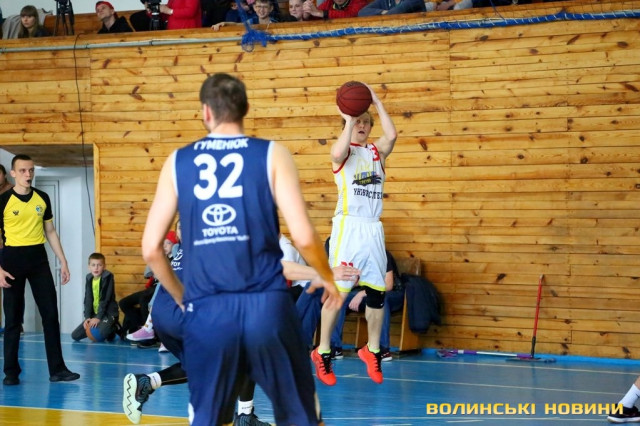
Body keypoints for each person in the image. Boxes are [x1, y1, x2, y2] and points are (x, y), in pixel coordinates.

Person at [141, 73, 341, 425]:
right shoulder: (272, 154)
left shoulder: (177, 162)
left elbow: (152, 249)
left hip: (209, 310)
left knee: (208, 418)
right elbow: (305, 237)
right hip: (266, 306)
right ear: (246, 109)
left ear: (205, 112)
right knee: (302, 414)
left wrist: (183, 299)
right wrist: (326, 277)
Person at [311, 83, 397, 386]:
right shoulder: (343, 153)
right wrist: (348, 118)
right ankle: (322, 350)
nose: (362, 125)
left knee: (377, 292)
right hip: (348, 227)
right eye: (357, 121)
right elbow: (337, 151)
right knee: (339, 292)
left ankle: (372, 350)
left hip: (373, 227)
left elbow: (392, 135)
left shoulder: (377, 152)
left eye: (365, 122)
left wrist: (377, 103)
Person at [0, 154, 80, 386]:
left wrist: (63, 261)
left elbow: (50, 231)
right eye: (23, 170)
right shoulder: (3, 201)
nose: (28, 174)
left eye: (31, 170)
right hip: (12, 260)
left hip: (38, 261)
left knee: (50, 315)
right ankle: (11, 372)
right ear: (13, 173)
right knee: (13, 319)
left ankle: (58, 369)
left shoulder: (42, 198)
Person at [331, 249, 402, 362]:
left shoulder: (381, 253)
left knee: (380, 299)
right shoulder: (353, 255)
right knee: (339, 299)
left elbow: (388, 285)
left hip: (389, 294)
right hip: (362, 294)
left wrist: (362, 294)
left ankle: (382, 348)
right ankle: (335, 347)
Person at [122, 230, 178, 341]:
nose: (165, 246)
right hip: (152, 287)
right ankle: (141, 326)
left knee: (144, 299)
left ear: (174, 245)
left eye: (168, 243)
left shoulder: (175, 258)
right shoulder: (161, 257)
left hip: (162, 288)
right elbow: (147, 273)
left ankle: (149, 334)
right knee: (124, 303)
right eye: (163, 243)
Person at [71, 252, 120, 342]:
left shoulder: (108, 276)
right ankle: (106, 327)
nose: (96, 268)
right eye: (93, 265)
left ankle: (114, 327)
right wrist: (87, 317)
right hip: (96, 314)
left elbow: (105, 299)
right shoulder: (89, 278)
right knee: (75, 335)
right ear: (89, 267)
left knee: (99, 335)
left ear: (104, 267)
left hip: (108, 314)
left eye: (99, 265)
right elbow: (88, 299)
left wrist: (98, 317)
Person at [302, 0, 367, 20]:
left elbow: (351, 15)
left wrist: (322, 13)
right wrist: (307, 16)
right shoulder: (329, 2)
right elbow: (316, 16)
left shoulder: (359, 1)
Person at [358, 0, 426, 16]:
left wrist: (387, 13)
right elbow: (362, 12)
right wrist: (382, 12)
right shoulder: (385, 1)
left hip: (416, 38)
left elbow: (395, 12)